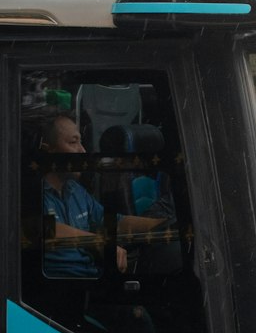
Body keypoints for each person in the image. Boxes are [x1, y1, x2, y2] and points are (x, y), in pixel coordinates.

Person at [40, 113, 166, 277]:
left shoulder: (76, 191)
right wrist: (98, 242)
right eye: (73, 142)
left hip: (90, 277)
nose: (82, 150)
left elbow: (114, 223)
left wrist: (163, 226)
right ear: (49, 150)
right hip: (59, 287)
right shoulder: (34, 192)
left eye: (81, 142)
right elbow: (47, 230)